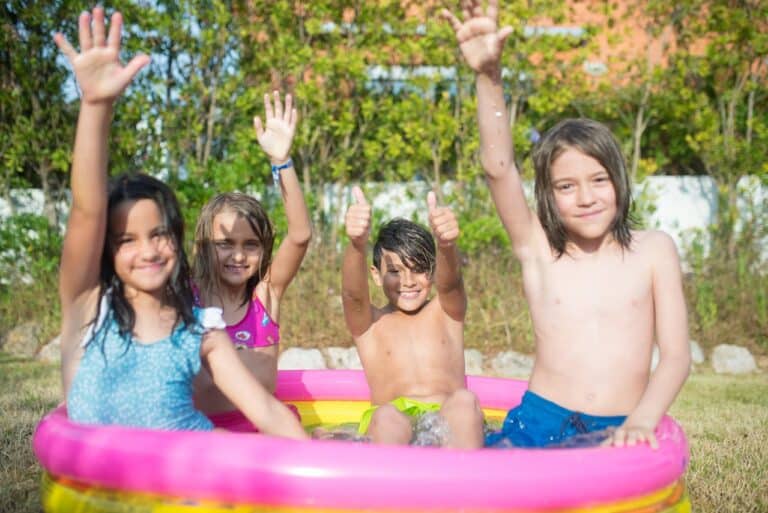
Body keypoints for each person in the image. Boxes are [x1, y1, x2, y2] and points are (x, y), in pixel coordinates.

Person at [442, 0, 691, 449]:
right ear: (548, 197)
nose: (586, 197)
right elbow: (499, 167)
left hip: (619, 422)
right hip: (538, 422)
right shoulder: (537, 247)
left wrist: (641, 421)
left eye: (598, 180)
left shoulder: (654, 250)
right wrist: (488, 77)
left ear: (618, 179)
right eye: (566, 186)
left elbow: (675, 357)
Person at [55, 7, 307, 439]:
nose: (148, 250)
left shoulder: (201, 330)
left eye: (159, 235)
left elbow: (266, 411)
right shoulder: (87, 305)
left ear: (176, 238)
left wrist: (323, 471)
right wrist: (96, 106)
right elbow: (87, 210)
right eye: (125, 240)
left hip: (197, 474)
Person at [191, 91, 311, 416]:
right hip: (205, 436)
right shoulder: (188, 299)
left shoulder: (265, 296)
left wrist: (280, 161)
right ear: (203, 245)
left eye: (251, 245)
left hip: (263, 434)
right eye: (225, 244)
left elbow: (300, 235)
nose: (238, 256)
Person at [341, 186, 484, 448]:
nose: (407, 282)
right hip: (394, 421)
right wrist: (356, 244)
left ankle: (466, 483)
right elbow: (353, 296)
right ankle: (392, 485)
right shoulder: (370, 325)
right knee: (385, 417)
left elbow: (451, 283)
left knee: (465, 402)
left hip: (446, 416)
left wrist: (446, 246)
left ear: (432, 272)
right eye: (394, 271)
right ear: (375, 275)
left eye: (418, 270)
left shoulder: (446, 312)